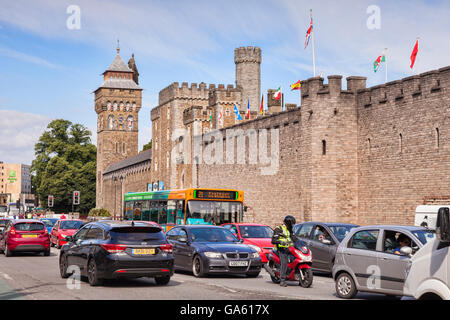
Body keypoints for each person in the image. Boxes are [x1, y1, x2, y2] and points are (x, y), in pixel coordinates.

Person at [272, 215, 296, 287]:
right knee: (284, 262)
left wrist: (302, 243)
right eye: (292, 224)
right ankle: (282, 280)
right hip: (280, 249)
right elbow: (273, 240)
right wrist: (280, 242)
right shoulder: (278, 229)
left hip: (287, 249)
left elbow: (294, 238)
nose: (292, 226)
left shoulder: (289, 230)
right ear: (288, 223)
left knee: (295, 259)